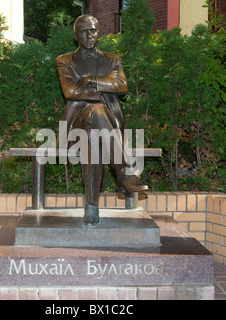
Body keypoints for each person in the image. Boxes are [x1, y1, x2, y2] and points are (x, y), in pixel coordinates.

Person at [56, 15, 148, 226]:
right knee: (97, 110)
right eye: (83, 31)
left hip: (105, 128)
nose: (89, 35)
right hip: (75, 126)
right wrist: (105, 89)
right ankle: (124, 172)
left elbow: (122, 86)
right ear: (75, 35)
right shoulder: (65, 60)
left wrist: (91, 81)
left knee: (93, 140)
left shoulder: (112, 59)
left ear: (99, 32)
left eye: (93, 30)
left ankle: (91, 207)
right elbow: (70, 90)